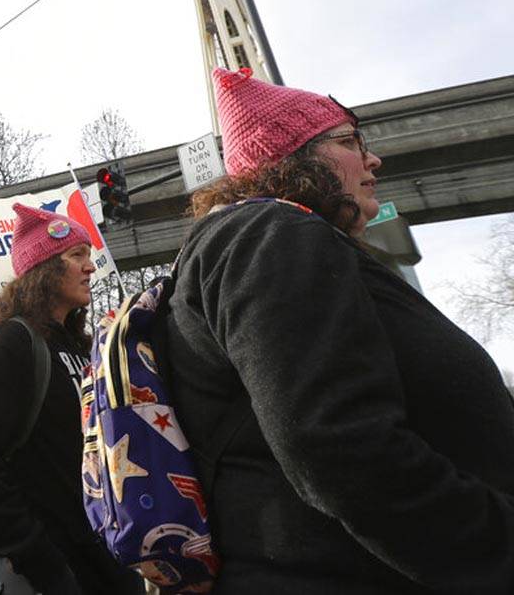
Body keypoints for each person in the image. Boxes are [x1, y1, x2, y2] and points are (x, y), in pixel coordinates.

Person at [160, 67, 514, 593]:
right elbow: (337, 444)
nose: (374, 159)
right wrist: (494, 548)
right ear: (292, 158)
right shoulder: (271, 233)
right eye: (349, 142)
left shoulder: (267, 242)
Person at [0, 205, 140, 594]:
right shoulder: (12, 343)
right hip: (48, 573)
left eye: (89, 255)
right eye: (76, 256)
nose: (90, 267)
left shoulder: (83, 346)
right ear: (44, 269)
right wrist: (39, 559)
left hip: (104, 561)